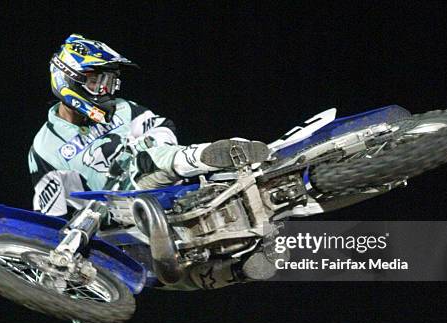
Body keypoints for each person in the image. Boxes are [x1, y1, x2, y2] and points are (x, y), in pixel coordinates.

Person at [28, 34, 273, 289]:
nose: (105, 90)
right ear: (68, 77)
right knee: (158, 276)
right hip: (112, 212)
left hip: (156, 183)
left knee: (152, 158)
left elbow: (162, 128)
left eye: (110, 82)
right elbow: (52, 214)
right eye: (95, 81)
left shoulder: (123, 109)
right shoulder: (45, 147)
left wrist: (148, 145)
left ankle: (217, 155)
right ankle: (240, 270)